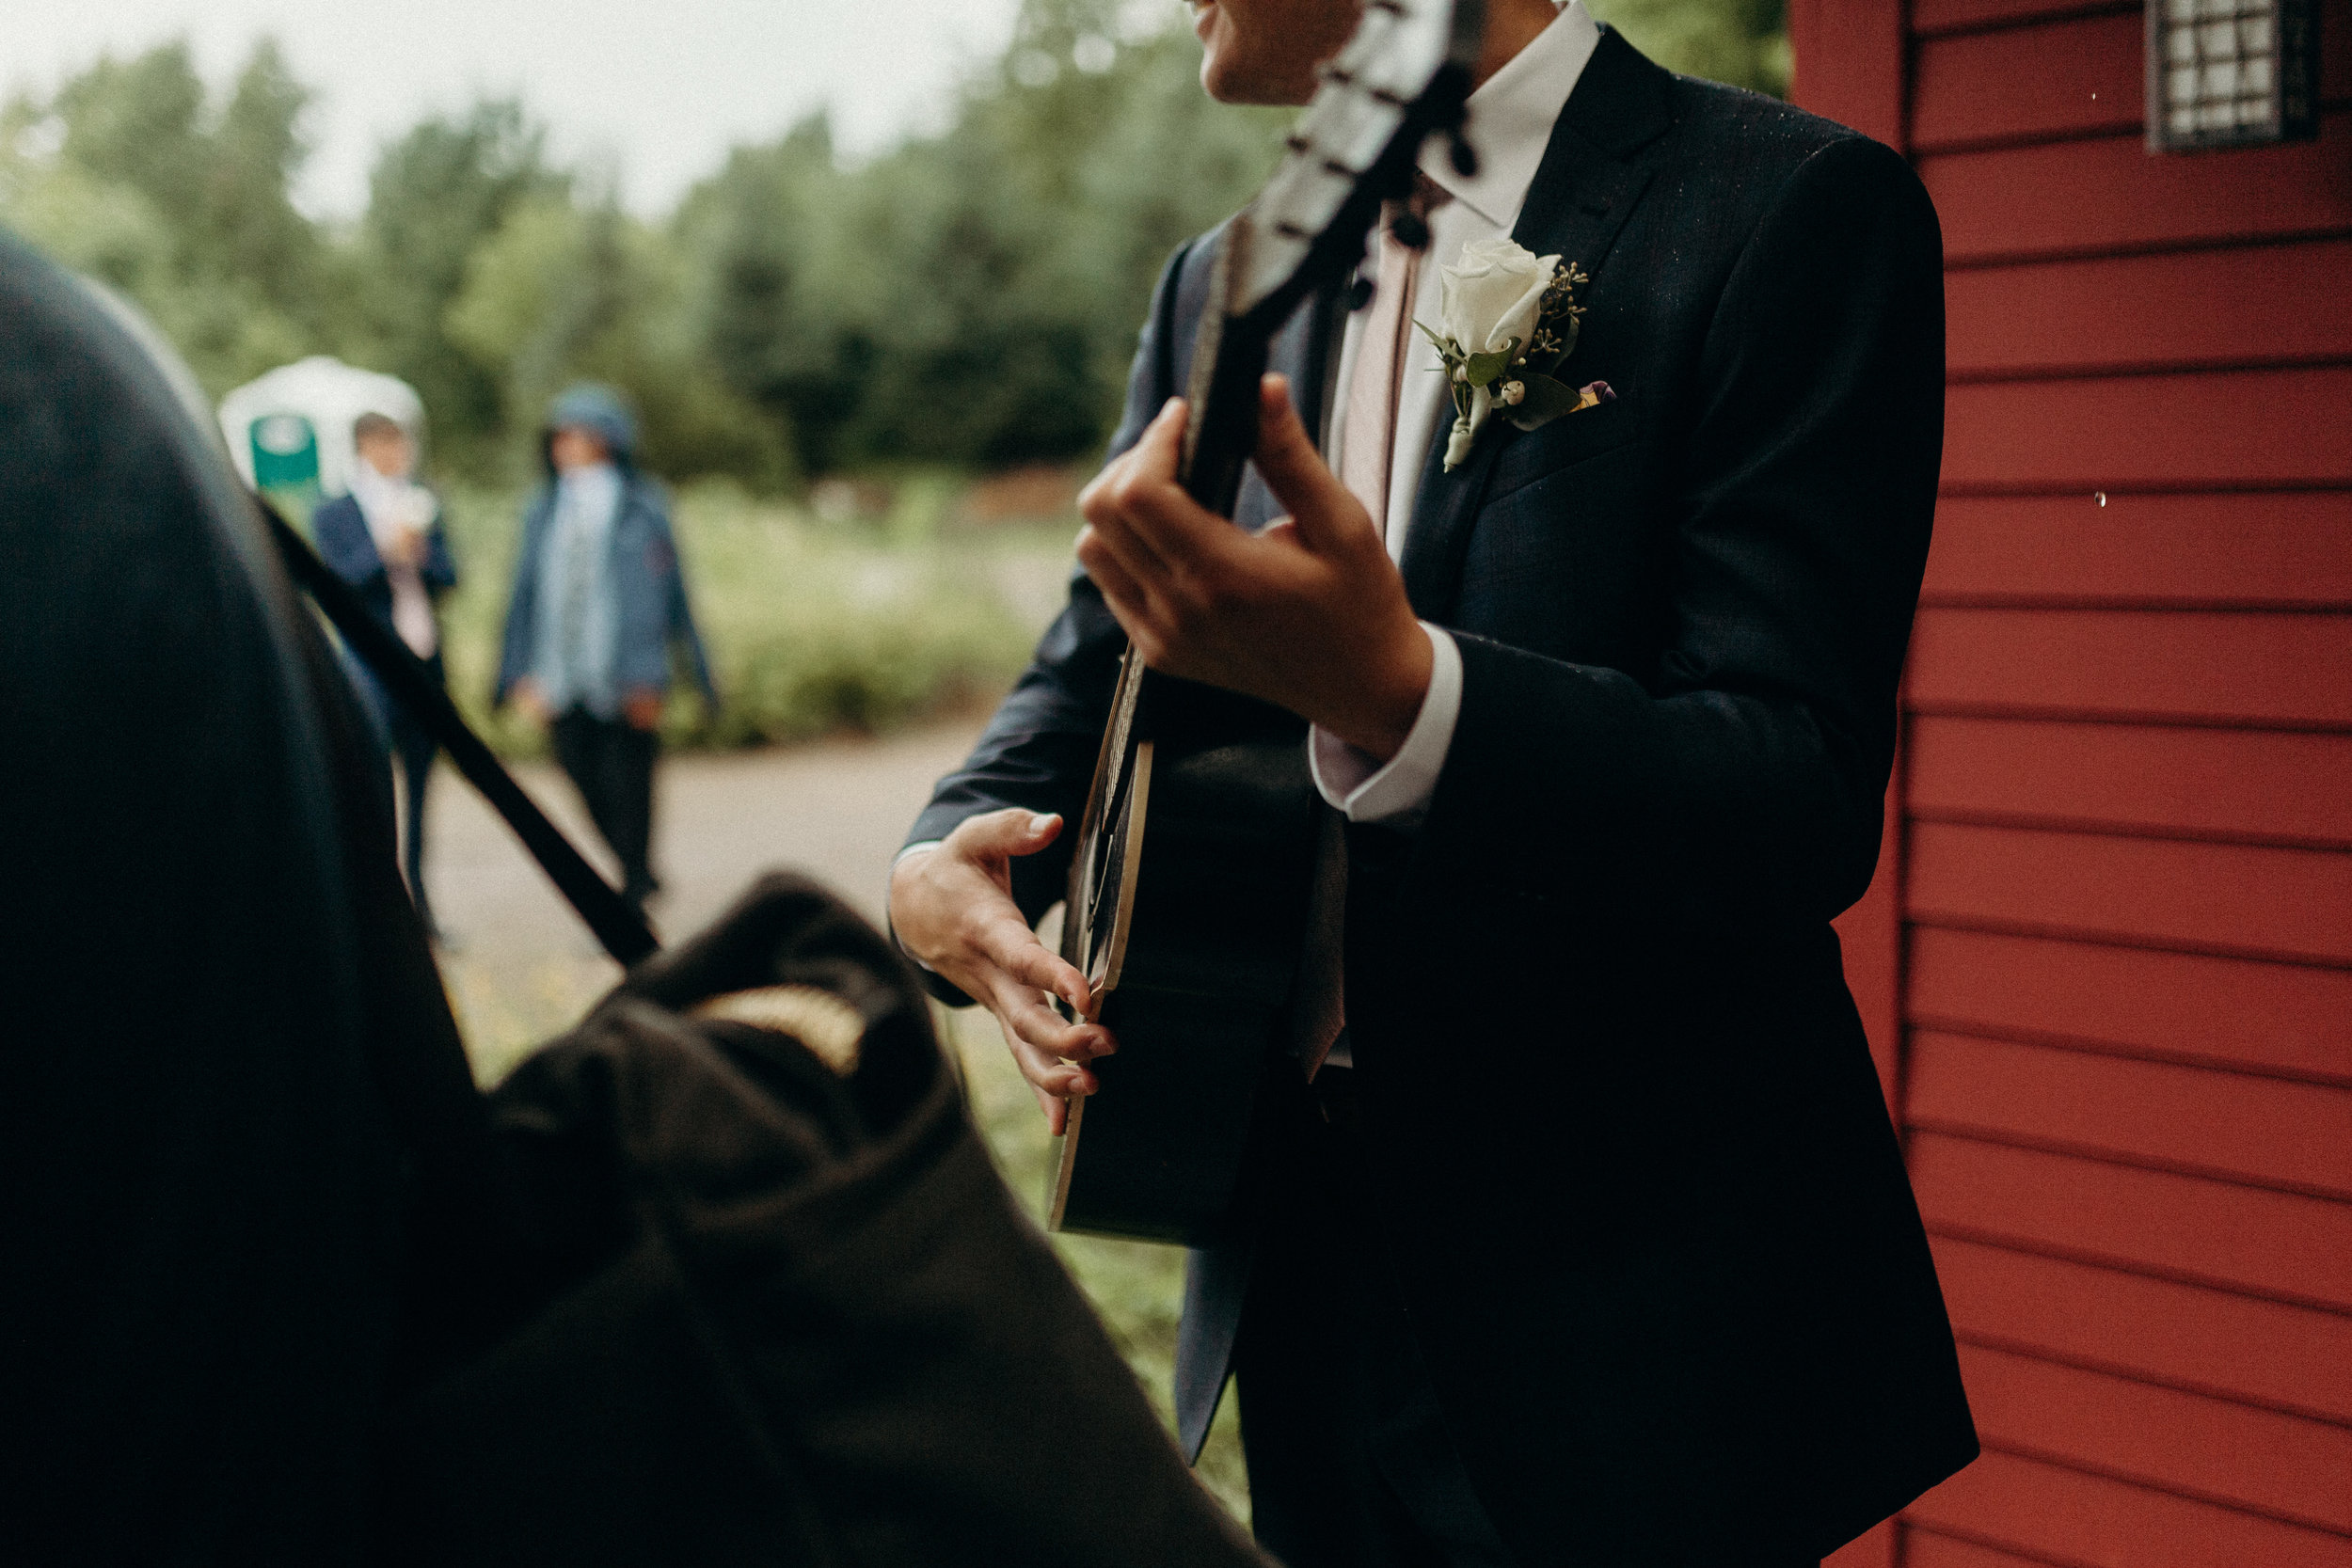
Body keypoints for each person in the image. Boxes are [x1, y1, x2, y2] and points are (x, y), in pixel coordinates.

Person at [889, 2, 1979, 1564]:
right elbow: (1096, 652)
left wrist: (1402, 697)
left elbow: (1792, 786)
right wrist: (942, 846)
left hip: (1630, 1318)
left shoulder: (1790, 209)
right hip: (1289, 1256)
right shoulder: (1227, 276)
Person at [496, 384, 714, 917]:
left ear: (610, 440)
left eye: (578, 434)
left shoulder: (643, 506)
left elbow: (672, 595)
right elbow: (522, 594)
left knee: (632, 786)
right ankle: (636, 869)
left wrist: (680, 676)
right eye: (559, 435)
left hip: (629, 676)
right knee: (577, 773)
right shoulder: (543, 509)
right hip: (560, 676)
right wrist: (514, 672)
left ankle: (633, 892)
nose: (564, 444)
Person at [312, 410, 457, 936]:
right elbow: (335, 583)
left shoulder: (421, 503)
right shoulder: (332, 512)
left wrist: (419, 554)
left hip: (423, 660)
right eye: (389, 445)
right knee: (373, 785)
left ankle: (422, 905)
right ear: (366, 447)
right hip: (369, 668)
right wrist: (383, 553)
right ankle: (377, 907)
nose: (399, 455)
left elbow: (450, 574)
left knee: (422, 787)